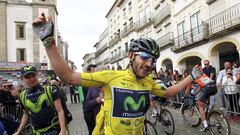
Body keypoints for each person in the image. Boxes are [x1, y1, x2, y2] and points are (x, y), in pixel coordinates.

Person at [32, 14, 205, 134]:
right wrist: (49, 43)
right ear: (130, 56)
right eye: (144, 57)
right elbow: (68, 76)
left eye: (153, 60)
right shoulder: (109, 77)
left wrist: (191, 77)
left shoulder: (148, 82)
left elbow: (168, 92)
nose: (149, 64)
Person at [13, 65, 66, 135]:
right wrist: (18, 131)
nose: (31, 79)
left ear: (37, 75)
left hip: (54, 130)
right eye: (27, 77)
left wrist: (63, 130)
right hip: (37, 132)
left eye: (33, 75)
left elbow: (60, 111)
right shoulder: (22, 96)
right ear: (22, 79)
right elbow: (26, 114)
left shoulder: (50, 90)